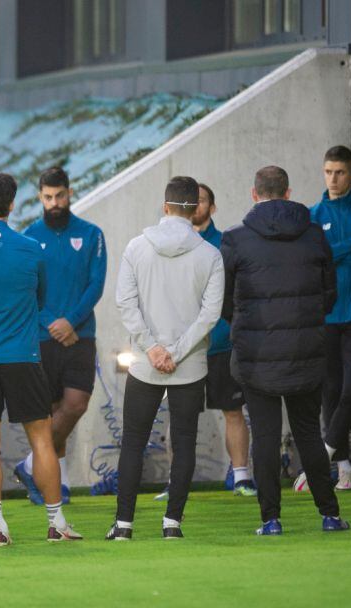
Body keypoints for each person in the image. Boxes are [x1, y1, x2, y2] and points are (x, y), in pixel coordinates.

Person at [0, 171, 82, 547]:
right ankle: (56, 522)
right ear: (11, 204)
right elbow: (39, 299)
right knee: (41, 441)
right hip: (23, 355)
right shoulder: (29, 249)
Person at [220, 166, 349, 536]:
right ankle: (329, 515)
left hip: (256, 353)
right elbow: (330, 293)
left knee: (264, 436)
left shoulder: (235, 239)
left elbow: (224, 300)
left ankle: (271, 520)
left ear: (253, 193)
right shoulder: (313, 235)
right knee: (309, 433)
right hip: (306, 350)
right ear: (288, 193)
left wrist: (244, 323)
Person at [107, 175, 223, 541]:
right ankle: (173, 522)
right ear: (196, 208)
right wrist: (176, 350)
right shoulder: (210, 254)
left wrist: (153, 348)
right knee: (185, 441)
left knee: (133, 441)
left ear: (166, 205)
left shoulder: (136, 247)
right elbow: (210, 314)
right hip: (189, 364)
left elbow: (126, 303)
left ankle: (124, 525)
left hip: (145, 363)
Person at [16, 167, 107, 505]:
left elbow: (95, 284)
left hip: (80, 336)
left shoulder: (92, 234)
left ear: (70, 193)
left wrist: (70, 321)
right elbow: (26, 288)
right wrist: (53, 322)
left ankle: (30, 465)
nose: (54, 203)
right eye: (47, 197)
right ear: (40, 197)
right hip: (41, 336)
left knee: (74, 405)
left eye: (60, 196)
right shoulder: (28, 236)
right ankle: (58, 483)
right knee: (50, 411)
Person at [297, 145, 351, 493]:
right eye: (328, 172)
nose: (333, 179)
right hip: (326, 315)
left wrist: (338, 250)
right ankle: (344, 466)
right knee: (330, 393)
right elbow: (317, 257)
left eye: (340, 172)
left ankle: (324, 454)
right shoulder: (312, 214)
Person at [191, 181, 255, 497]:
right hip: (185, 349)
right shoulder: (175, 245)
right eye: (191, 201)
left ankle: (241, 476)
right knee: (181, 414)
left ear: (212, 207)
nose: (195, 206)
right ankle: (178, 482)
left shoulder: (226, 244)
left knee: (233, 411)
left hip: (221, 343)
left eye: (201, 200)